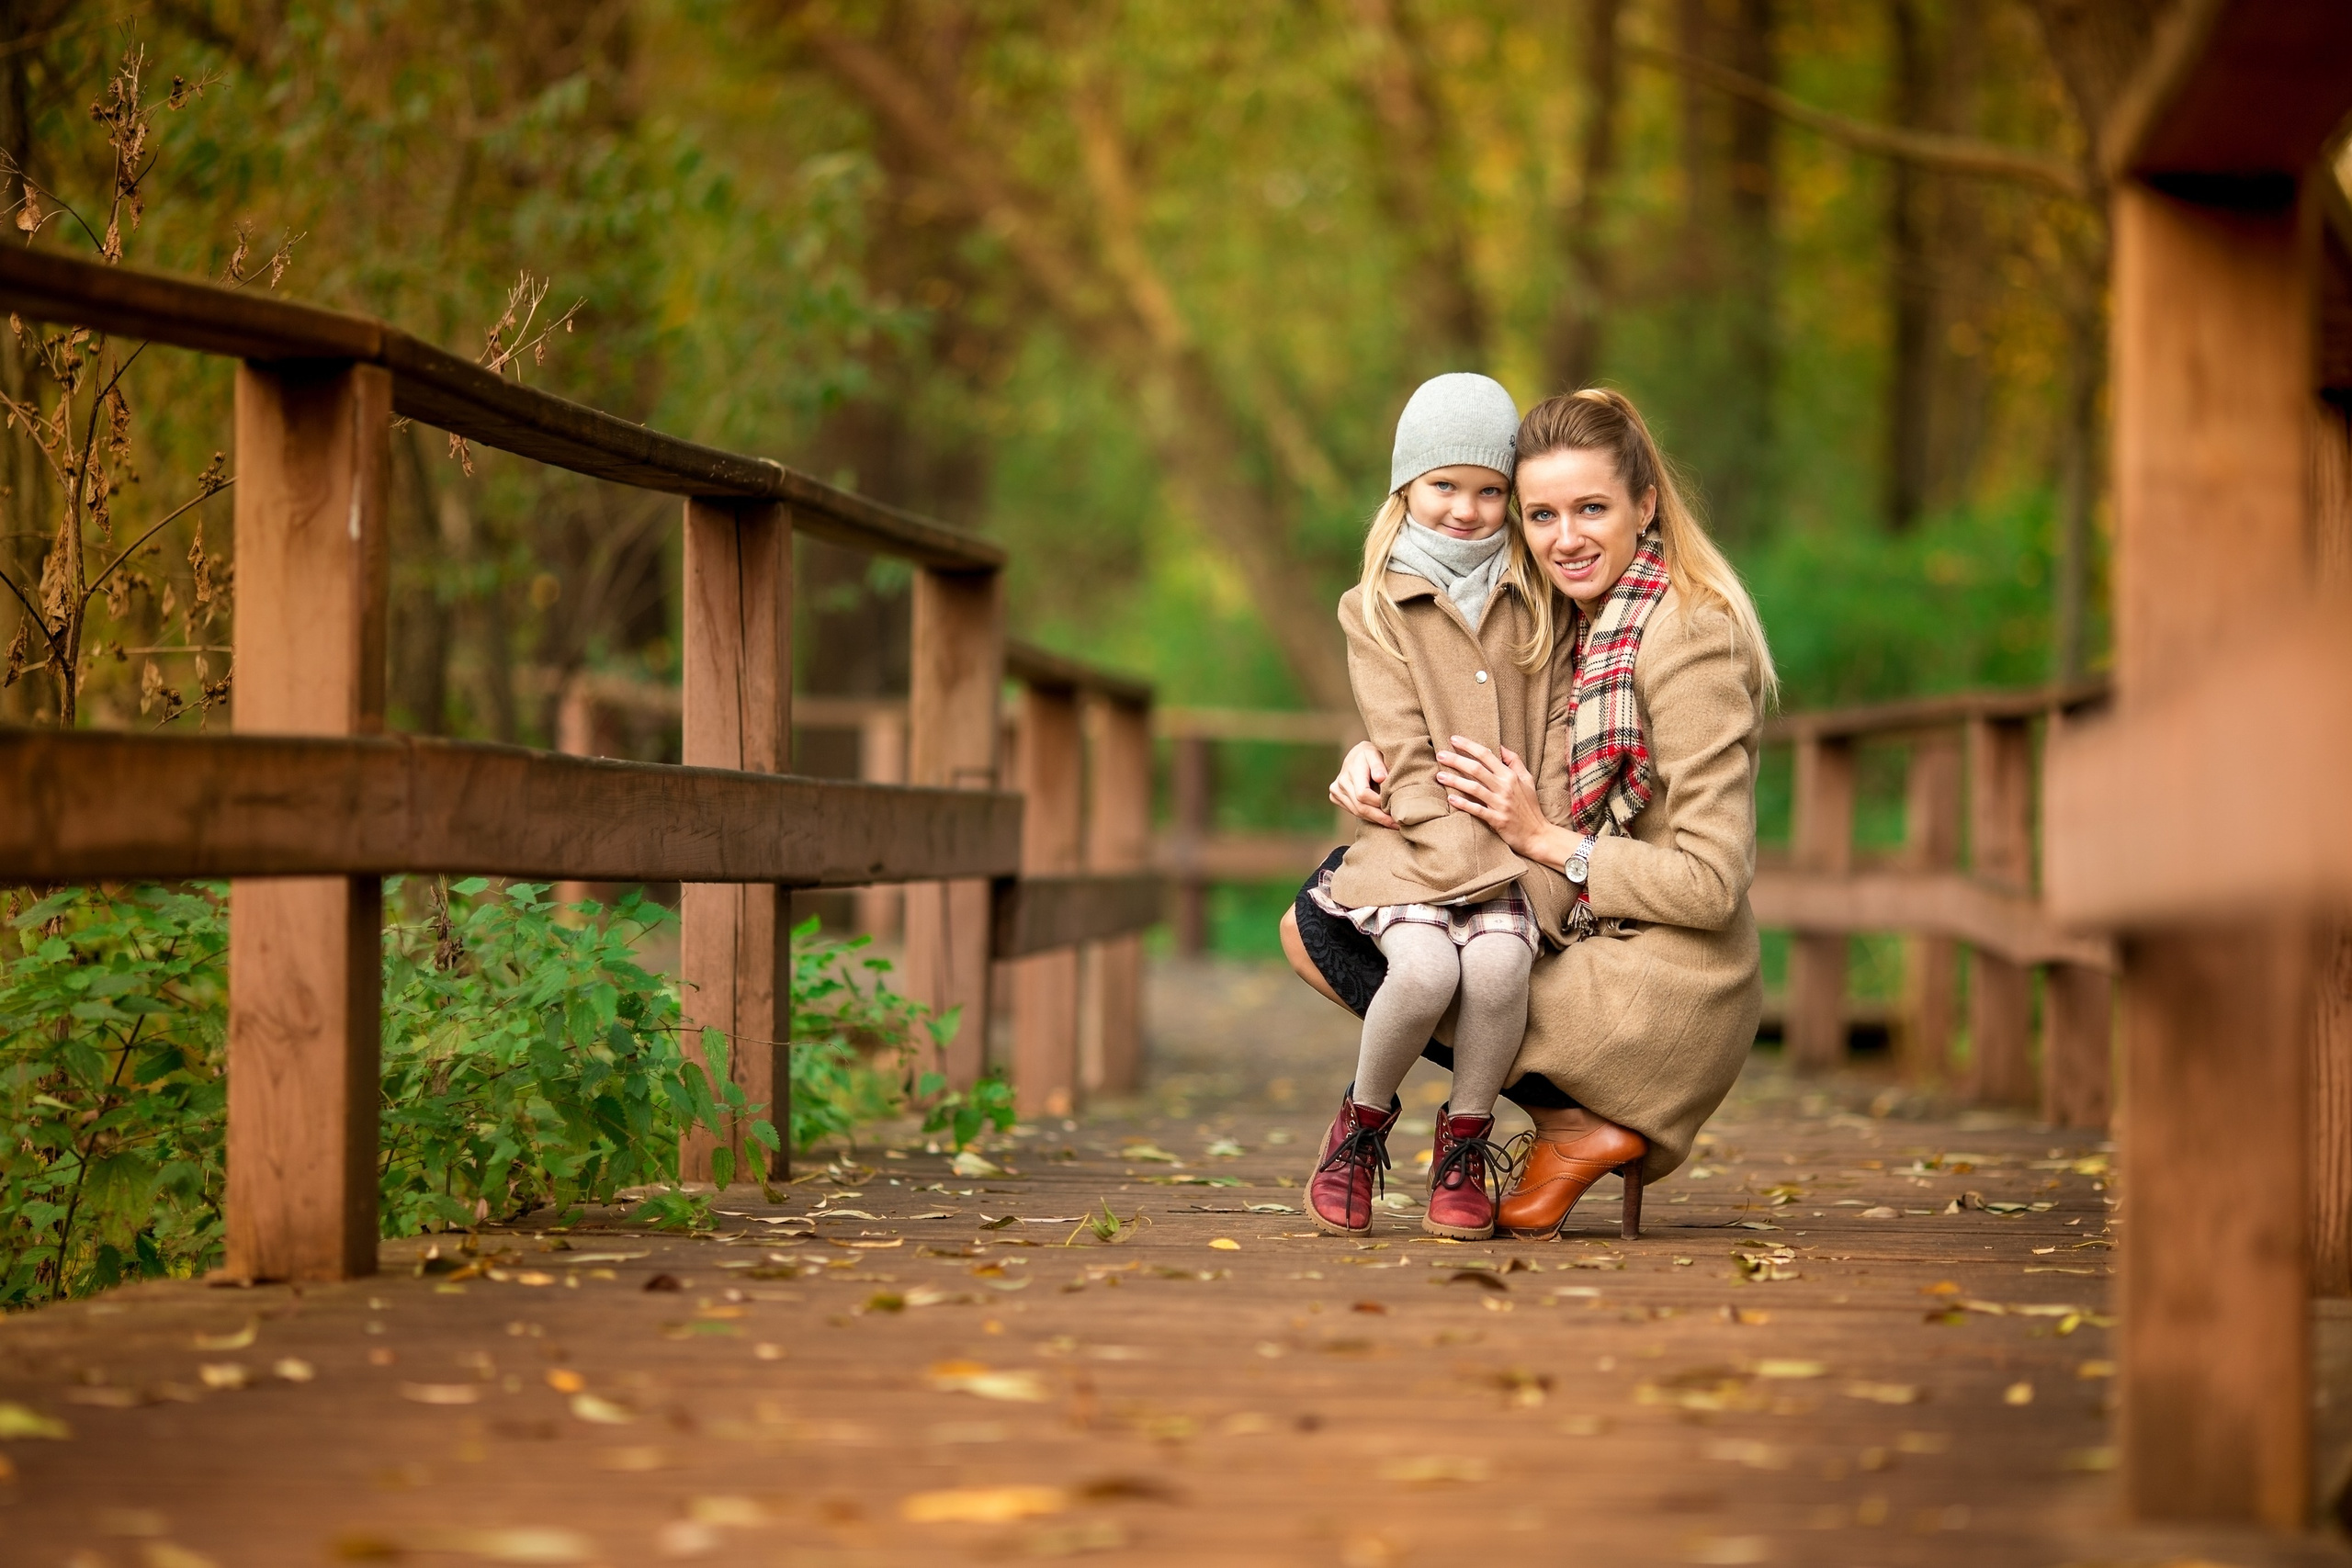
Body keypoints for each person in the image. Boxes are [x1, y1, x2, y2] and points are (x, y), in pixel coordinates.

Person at [1284, 389, 1775, 1239]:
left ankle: (1571, 1119)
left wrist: (1547, 838)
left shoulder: (1690, 635)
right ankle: (1558, 1122)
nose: (1565, 537)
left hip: (1668, 978)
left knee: (1338, 927)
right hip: (1602, 925)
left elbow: (1712, 883)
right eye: (1542, 512)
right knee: (1394, 918)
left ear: (1646, 505)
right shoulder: (1584, 613)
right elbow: (1470, 705)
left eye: (1593, 508)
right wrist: (1369, 754)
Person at [1302, 372, 1559, 1243]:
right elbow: (1403, 745)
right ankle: (1361, 1123)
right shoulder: (1375, 605)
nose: (1465, 508)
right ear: (1407, 484)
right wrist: (1456, 857)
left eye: (1490, 491)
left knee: (1495, 969)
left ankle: (1464, 1141)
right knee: (1425, 970)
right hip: (1418, 844)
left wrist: (1532, 842)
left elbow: (1558, 725)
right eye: (1444, 485)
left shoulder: (1539, 596)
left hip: (1514, 844)